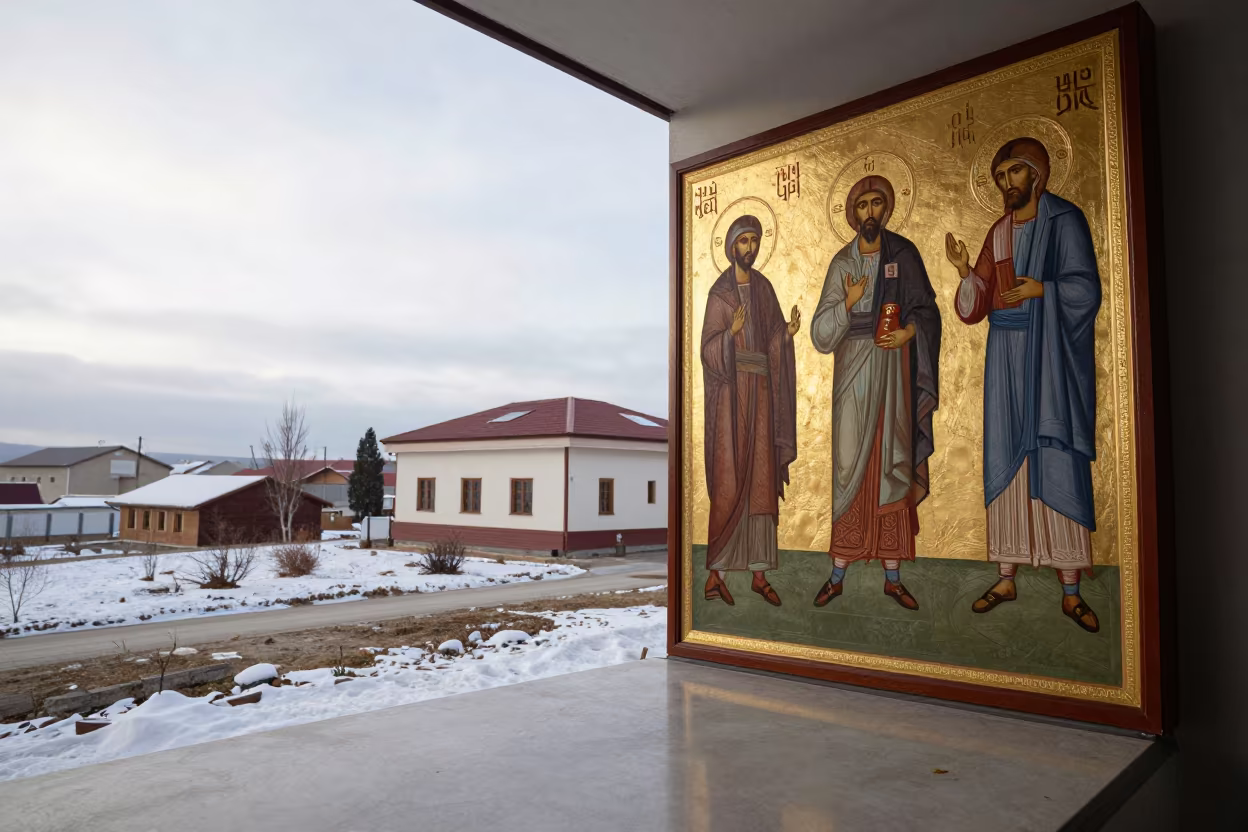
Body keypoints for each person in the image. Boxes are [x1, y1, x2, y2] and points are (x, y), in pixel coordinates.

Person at [944, 137, 1102, 632]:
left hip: (1050, 355)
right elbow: (977, 306)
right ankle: (1007, 574)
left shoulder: (1066, 220)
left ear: (1036, 172)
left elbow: (1087, 290)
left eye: (1014, 173)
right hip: (1006, 355)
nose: (1007, 184)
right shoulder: (1000, 230)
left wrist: (1044, 289)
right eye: (1000, 177)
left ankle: (1071, 588)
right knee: (1007, 459)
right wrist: (966, 270)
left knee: (1052, 457)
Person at [809, 176, 941, 610]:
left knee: (891, 462)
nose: (869, 212)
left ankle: (893, 575)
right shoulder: (840, 264)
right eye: (862, 204)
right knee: (849, 468)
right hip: (852, 373)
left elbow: (926, 310)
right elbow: (820, 335)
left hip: (893, 374)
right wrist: (847, 303)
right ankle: (838, 572)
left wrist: (909, 332)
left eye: (876, 203)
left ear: (886, 209)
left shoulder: (903, 254)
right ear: (853, 212)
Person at [701, 215, 800, 606]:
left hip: (761, 395)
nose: (749, 248)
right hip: (731, 403)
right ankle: (716, 576)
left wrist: (785, 336)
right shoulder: (719, 294)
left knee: (760, 480)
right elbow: (707, 350)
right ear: (731, 246)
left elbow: (772, 336)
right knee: (731, 482)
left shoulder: (763, 289)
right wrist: (728, 335)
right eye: (743, 241)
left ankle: (759, 574)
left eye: (754, 241)